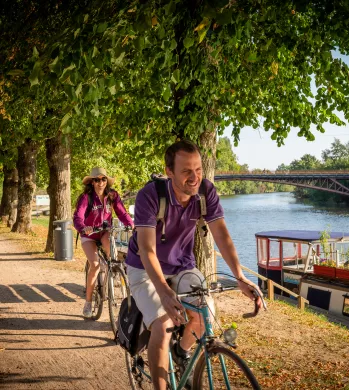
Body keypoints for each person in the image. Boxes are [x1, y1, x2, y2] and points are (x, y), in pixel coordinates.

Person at [125, 140, 263, 390]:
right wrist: (165, 294)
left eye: (198, 169)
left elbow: (222, 235)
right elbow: (147, 249)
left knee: (205, 314)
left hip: (182, 264)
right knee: (163, 323)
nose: (194, 177)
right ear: (169, 171)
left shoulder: (205, 192)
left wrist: (240, 277)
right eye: (186, 171)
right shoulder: (151, 195)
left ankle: (181, 351)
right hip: (144, 267)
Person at [73, 167, 134, 318]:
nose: (100, 183)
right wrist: (83, 227)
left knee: (112, 255)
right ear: (92, 182)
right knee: (94, 264)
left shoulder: (112, 196)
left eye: (103, 179)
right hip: (89, 234)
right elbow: (78, 217)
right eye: (97, 180)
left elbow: (122, 213)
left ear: (107, 181)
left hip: (104, 231)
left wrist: (131, 225)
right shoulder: (86, 197)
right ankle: (88, 303)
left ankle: (112, 274)